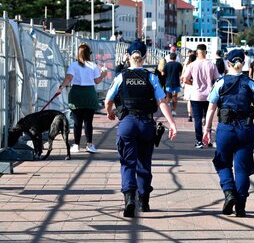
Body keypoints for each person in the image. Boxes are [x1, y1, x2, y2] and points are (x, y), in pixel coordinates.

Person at [104, 41, 177, 218]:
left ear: (128, 56)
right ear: (145, 58)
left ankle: (129, 198)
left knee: (128, 162)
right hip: (146, 124)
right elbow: (162, 102)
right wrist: (172, 123)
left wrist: (110, 113)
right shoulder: (151, 77)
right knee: (144, 163)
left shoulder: (121, 77)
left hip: (127, 123)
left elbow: (108, 100)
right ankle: (144, 200)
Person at [202, 49, 254, 217]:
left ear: (228, 63)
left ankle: (229, 192)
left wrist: (207, 129)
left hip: (225, 129)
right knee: (242, 169)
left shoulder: (220, 83)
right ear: (244, 63)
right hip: (245, 129)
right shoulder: (250, 83)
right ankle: (241, 205)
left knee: (222, 163)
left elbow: (211, 108)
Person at [57, 42, 107, 154]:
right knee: (88, 122)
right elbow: (97, 81)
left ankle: (76, 145)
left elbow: (69, 78)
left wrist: (61, 87)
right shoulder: (93, 65)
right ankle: (89, 144)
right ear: (88, 53)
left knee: (77, 122)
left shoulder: (73, 65)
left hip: (76, 93)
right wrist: (103, 75)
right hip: (89, 93)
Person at [182, 44, 219, 148]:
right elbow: (217, 79)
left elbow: (184, 79)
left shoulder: (192, 65)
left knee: (197, 119)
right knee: (208, 118)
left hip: (196, 95)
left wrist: (192, 83)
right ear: (205, 52)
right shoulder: (211, 65)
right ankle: (208, 139)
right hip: (209, 95)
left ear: (197, 53)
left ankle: (199, 141)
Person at [182, 53, 197, 122]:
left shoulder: (187, 66)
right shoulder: (196, 65)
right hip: (196, 84)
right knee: (196, 100)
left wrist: (184, 83)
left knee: (189, 101)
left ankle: (190, 115)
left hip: (188, 85)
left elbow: (183, 76)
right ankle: (197, 114)